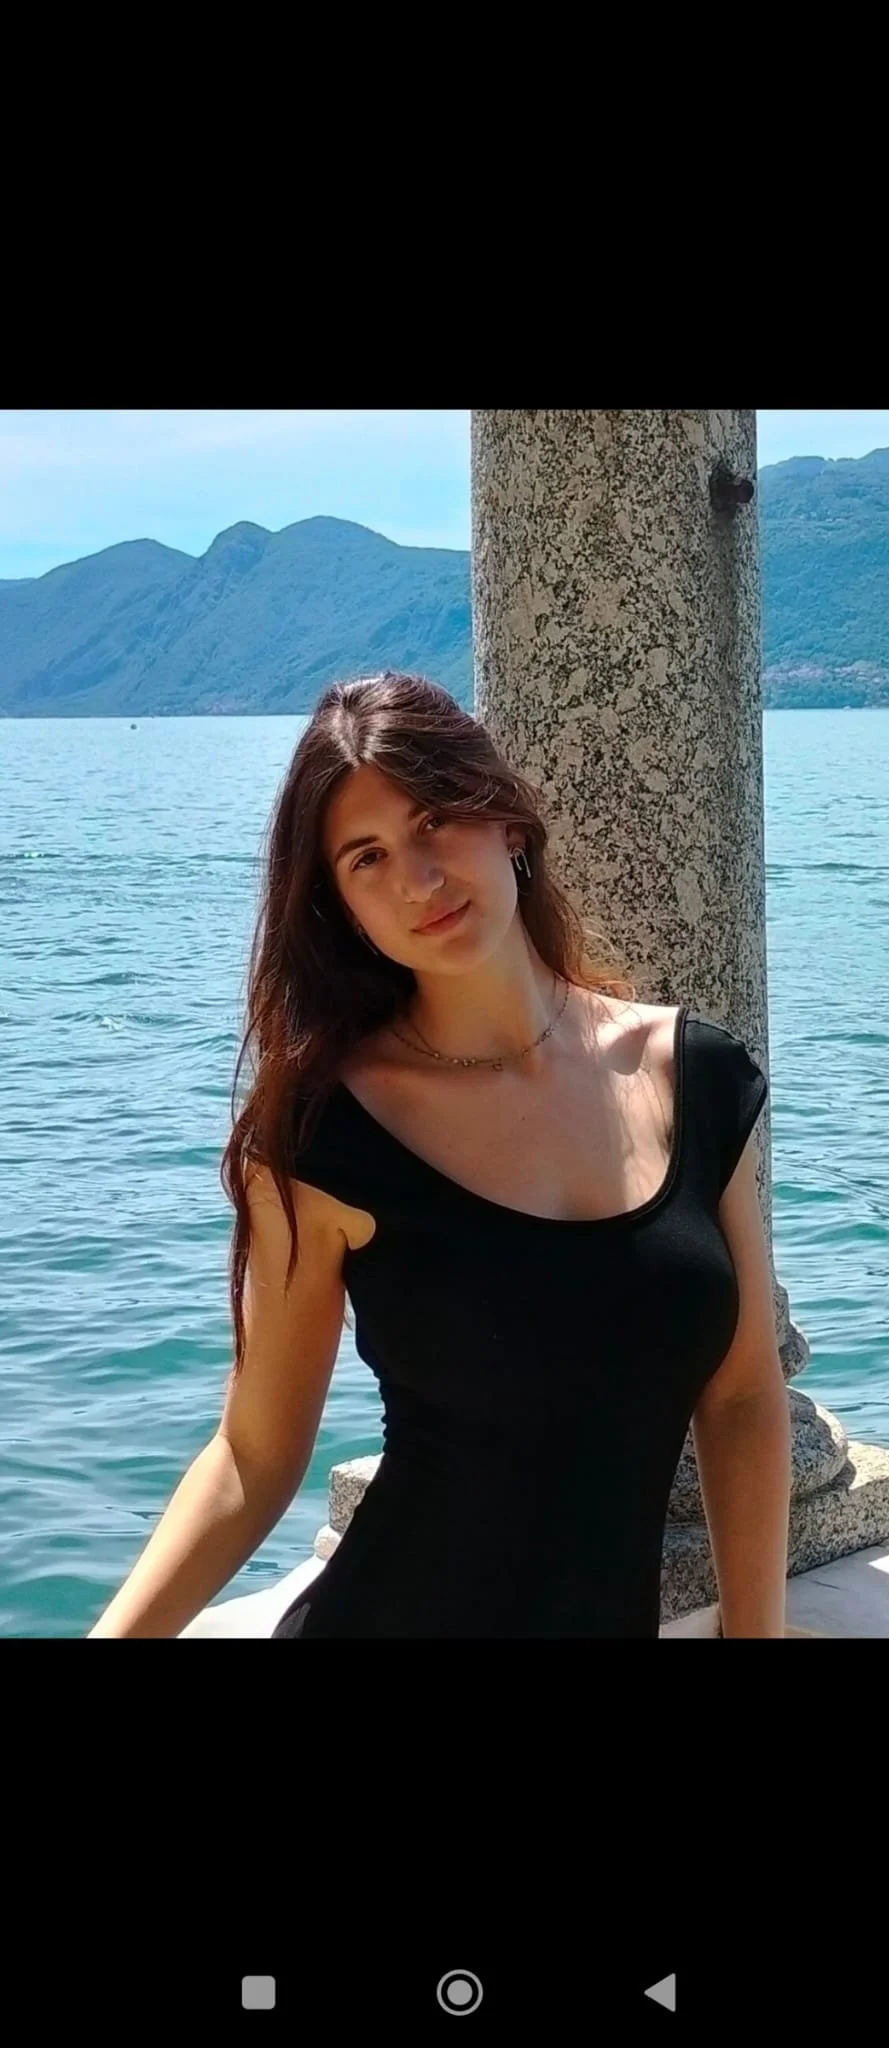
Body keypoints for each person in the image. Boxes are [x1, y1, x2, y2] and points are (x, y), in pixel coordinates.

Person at [88, 672, 791, 1639]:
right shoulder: (325, 1134)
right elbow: (253, 1457)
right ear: (339, 906)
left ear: (505, 819)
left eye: (432, 821)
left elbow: (745, 1393)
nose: (416, 880)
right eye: (366, 857)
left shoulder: (697, 1078)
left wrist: (751, 1633)